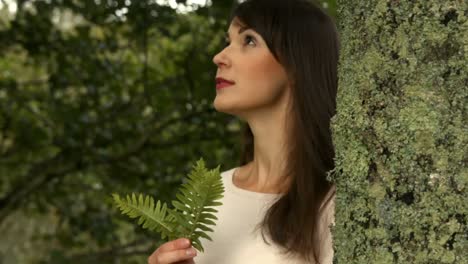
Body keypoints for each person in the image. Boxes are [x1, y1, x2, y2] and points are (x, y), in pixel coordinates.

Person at [148, 0, 339, 263]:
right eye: (228, 41)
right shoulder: (208, 194)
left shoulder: (340, 204)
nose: (219, 57)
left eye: (249, 40)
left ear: (297, 63)